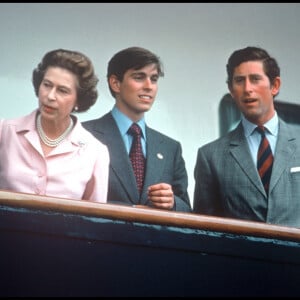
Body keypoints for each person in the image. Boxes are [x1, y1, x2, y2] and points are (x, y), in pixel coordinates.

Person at [193, 46, 300, 228]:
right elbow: (206, 233)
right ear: (231, 89)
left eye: (255, 79)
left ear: (275, 85)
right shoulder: (211, 156)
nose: (247, 88)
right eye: (239, 81)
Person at [83, 46, 191, 212]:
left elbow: (188, 210)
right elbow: (75, 198)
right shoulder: (84, 135)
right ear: (115, 83)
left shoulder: (171, 148)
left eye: (154, 79)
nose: (149, 86)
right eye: (139, 77)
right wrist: (131, 210)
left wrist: (172, 203)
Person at [0, 49, 110, 202]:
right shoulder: (5, 132)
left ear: (79, 100)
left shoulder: (95, 152)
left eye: (62, 91)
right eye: (47, 85)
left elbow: (96, 219)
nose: (50, 96)